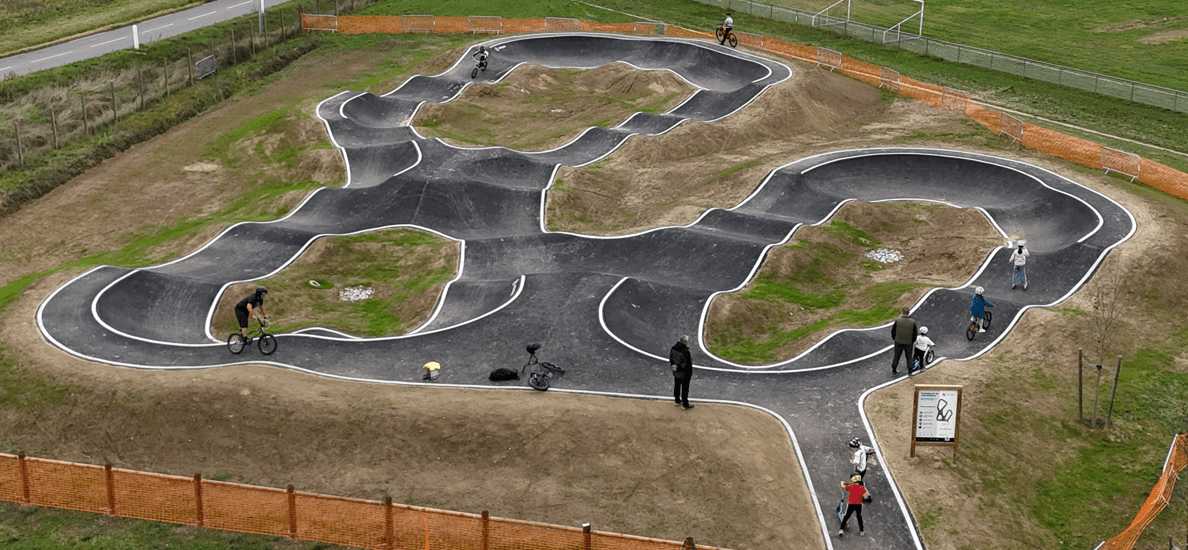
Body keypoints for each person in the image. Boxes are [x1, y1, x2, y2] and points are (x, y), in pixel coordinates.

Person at [889, 307, 917, 375]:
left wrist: (895, 339)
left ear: (902, 312)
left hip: (898, 342)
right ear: (909, 312)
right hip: (908, 342)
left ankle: (894, 370)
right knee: (909, 357)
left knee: (896, 356)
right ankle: (910, 371)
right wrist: (912, 341)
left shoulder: (898, 320)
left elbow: (893, 331)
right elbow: (915, 334)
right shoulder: (912, 322)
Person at [670, 335, 694, 410]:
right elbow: (687, 364)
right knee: (685, 389)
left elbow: (671, 359)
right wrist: (690, 373)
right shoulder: (686, 352)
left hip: (676, 372)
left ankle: (677, 400)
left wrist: (674, 366)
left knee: (677, 386)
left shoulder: (673, 348)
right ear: (685, 342)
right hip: (685, 373)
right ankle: (685, 404)